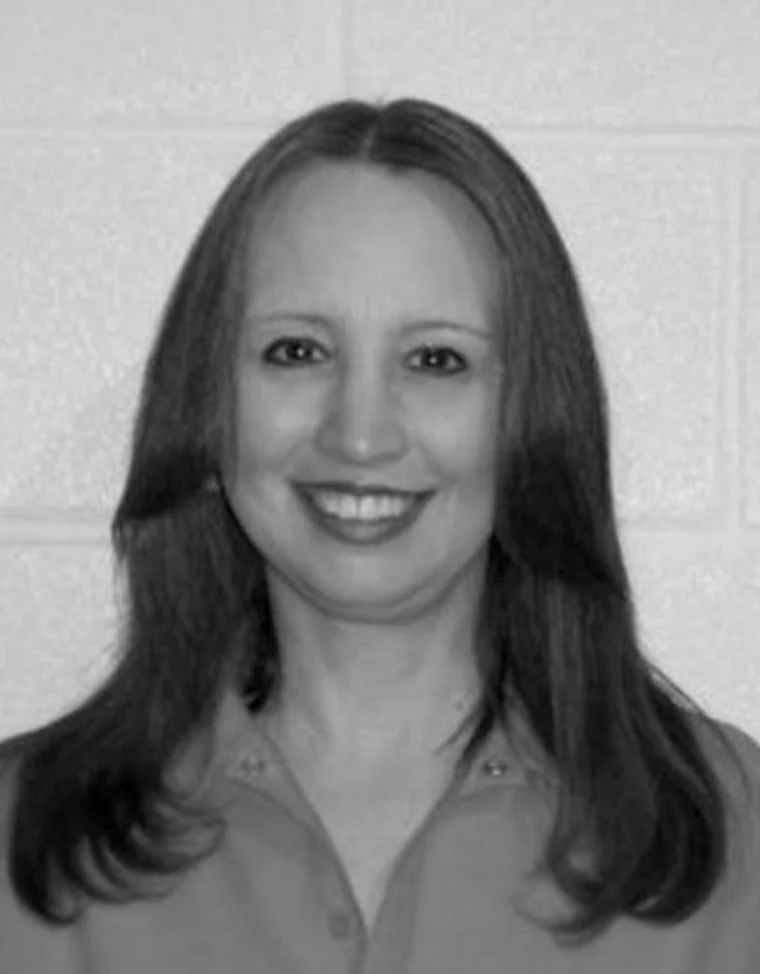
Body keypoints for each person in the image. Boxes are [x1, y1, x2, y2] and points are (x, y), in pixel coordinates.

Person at [0, 96, 758, 974]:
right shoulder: (21, 843)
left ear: (532, 422)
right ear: (205, 409)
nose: (361, 434)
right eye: (296, 351)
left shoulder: (727, 838)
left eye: (437, 360)